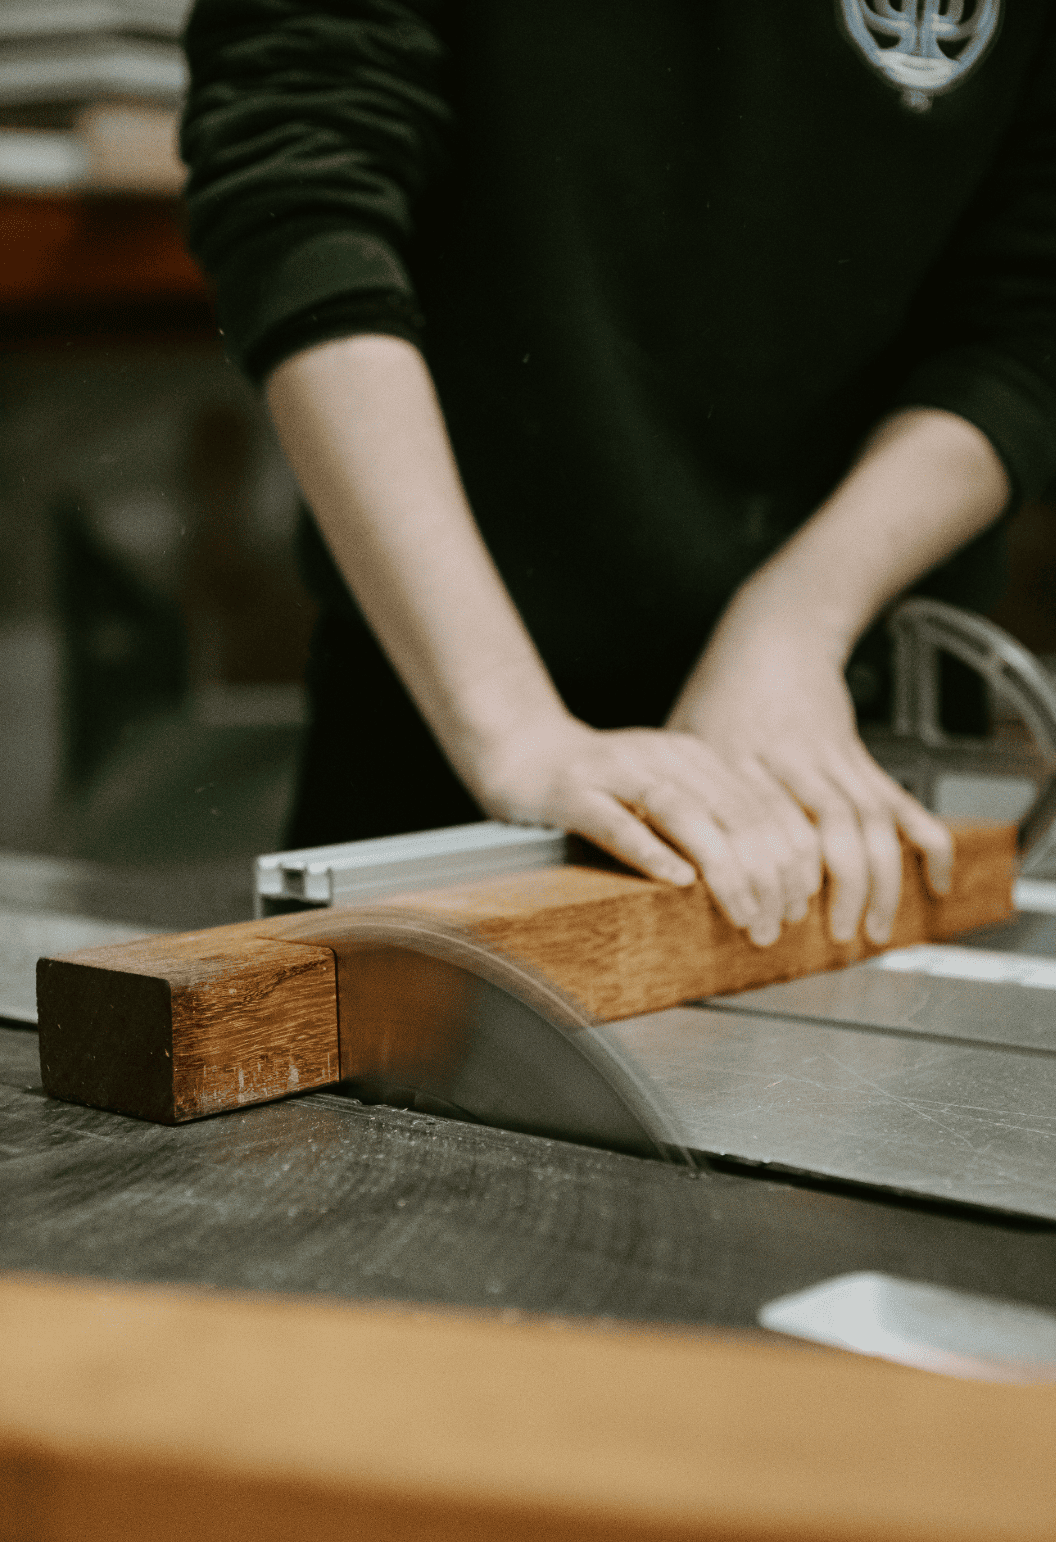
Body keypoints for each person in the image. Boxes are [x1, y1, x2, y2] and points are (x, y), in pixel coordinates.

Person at [180, 0, 1056, 949]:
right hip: (453, 721)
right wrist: (509, 725)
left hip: (844, 758)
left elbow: (1026, 319)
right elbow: (302, 193)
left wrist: (796, 623)